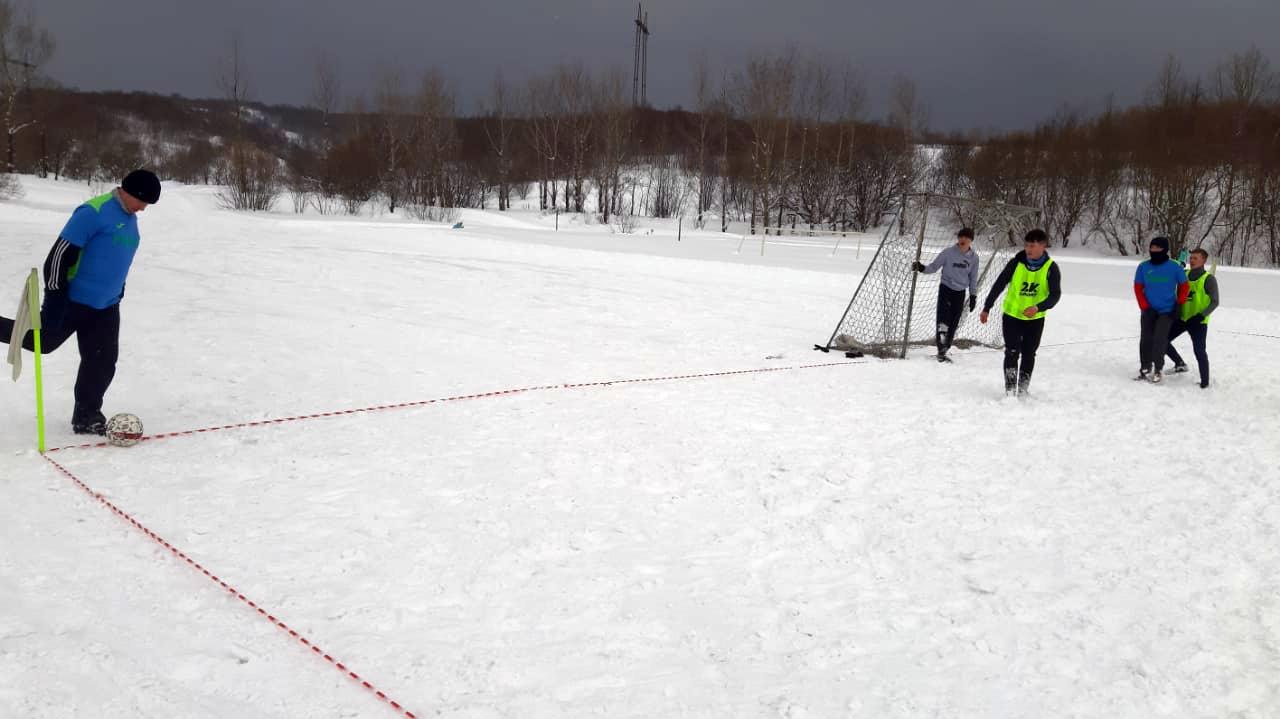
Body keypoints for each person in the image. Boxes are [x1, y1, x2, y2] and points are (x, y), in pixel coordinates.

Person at [0, 169, 161, 434]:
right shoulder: (93, 212)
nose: (143, 209)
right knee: (43, 343)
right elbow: (57, 258)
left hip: (106, 306)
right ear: (129, 192)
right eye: (142, 202)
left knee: (102, 361)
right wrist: (57, 295)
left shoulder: (129, 218)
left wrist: (117, 292)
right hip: (71, 300)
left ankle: (86, 414)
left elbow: (116, 259)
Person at [980, 229, 1062, 396]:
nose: (1028, 249)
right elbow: (999, 284)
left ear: (1043, 246)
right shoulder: (1015, 263)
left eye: (1032, 246)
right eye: (1026, 245)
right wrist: (987, 307)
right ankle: (1010, 391)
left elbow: (1055, 295)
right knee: (1011, 352)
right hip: (1012, 317)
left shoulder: (1051, 268)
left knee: (1029, 354)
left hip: (1035, 319)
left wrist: (1038, 307)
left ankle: (1023, 390)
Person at [912, 227, 981, 363]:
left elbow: (973, 278)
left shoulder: (974, 258)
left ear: (970, 241)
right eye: (961, 237)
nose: (963, 239)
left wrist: (973, 296)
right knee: (943, 319)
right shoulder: (948, 253)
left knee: (954, 321)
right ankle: (941, 348)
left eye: (966, 238)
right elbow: (933, 267)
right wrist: (922, 268)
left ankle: (946, 346)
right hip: (946, 289)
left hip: (960, 293)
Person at [1133, 236, 1188, 383]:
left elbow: (1184, 286)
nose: (1154, 250)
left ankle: (1158, 369)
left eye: (1158, 248)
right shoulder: (1143, 267)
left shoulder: (1174, 267)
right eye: (1152, 248)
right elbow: (1138, 288)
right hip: (1148, 310)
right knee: (1145, 339)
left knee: (1160, 339)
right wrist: (1144, 306)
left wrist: (1179, 304)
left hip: (1167, 311)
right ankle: (1145, 367)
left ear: (1165, 250)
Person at [1164, 247, 1218, 388]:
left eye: (1196, 258)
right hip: (1182, 319)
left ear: (1203, 260)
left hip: (1198, 322)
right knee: (1161, 340)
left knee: (1199, 351)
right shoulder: (1184, 274)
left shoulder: (1209, 279)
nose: (1192, 260)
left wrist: (1200, 316)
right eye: (1191, 258)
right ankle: (1180, 364)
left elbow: (1215, 302)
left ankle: (1205, 383)